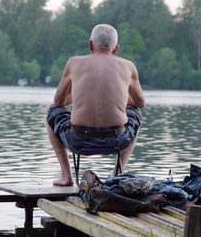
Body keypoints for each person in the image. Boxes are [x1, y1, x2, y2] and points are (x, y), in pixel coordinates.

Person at [46, 24, 145, 186]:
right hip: (118, 140)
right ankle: (118, 173)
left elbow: (58, 102)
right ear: (116, 48)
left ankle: (66, 176)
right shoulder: (128, 66)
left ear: (90, 44)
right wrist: (118, 97)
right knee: (135, 113)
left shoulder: (74, 63)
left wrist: (77, 95)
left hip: (77, 141)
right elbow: (140, 103)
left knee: (52, 111)